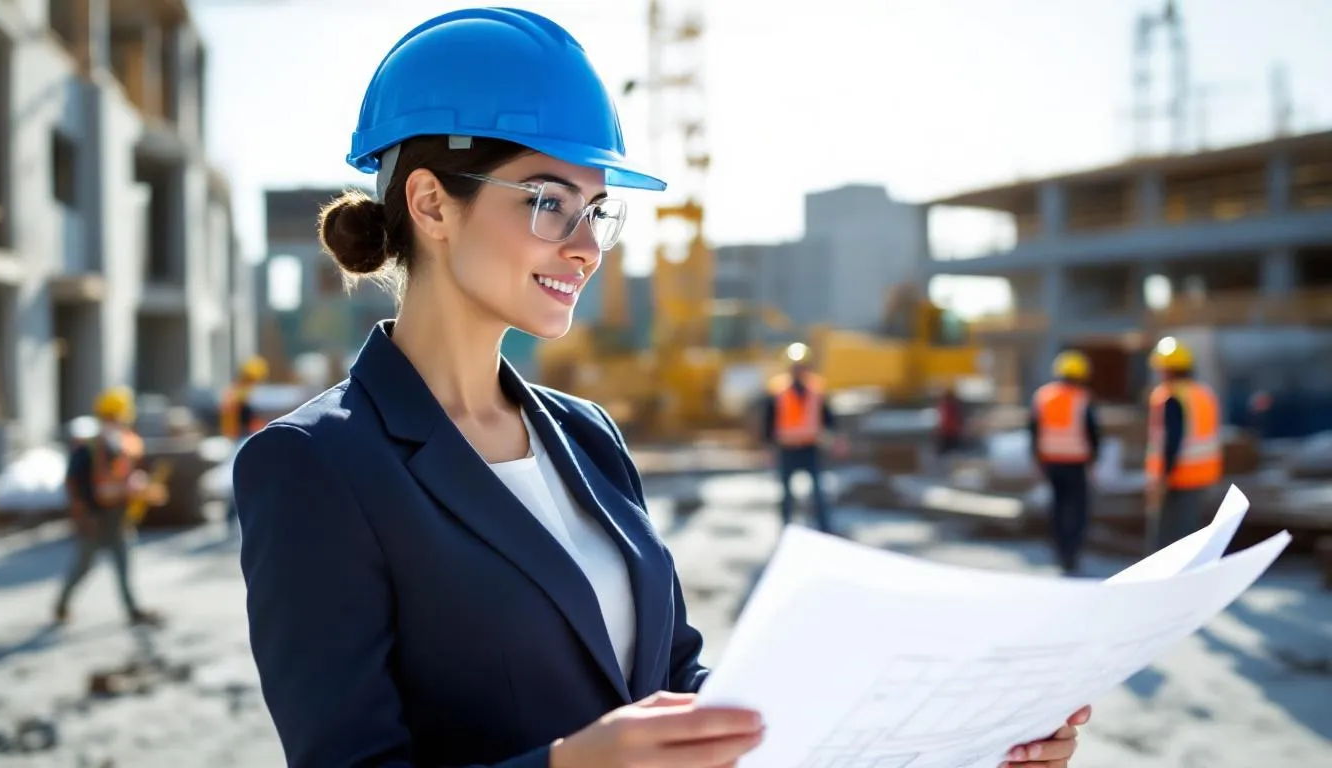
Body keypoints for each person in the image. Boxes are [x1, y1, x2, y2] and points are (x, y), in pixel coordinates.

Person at [231, 8, 1090, 767]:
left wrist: (956, 739)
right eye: (547, 201)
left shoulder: (587, 435)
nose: (587, 246)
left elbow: (678, 680)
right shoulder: (317, 469)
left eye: (597, 210)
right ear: (430, 203)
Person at [54, 386, 162, 626]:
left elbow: (122, 478)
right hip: (95, 519)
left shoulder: (122, 446)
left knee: (124, 565)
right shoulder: (87, 448)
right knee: (82, 566)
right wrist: (84, 515)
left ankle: (133, 610)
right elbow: (81, 487)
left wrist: (138, 487)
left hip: (118, 517)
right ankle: (61, 605)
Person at [1144, 336, 1223, 553]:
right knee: (1189, 534)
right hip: (1201, 475)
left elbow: (1172, 440)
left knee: (1168, 539)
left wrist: (1162, 477)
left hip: (1178, 477)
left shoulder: (1172, 397)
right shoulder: (1203, 393)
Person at [762, 342, 846, 534]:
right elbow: (769, 421)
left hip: (810, 448)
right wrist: (768, 447)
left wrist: (838, 439)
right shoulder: (778, 390)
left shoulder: (816, 390)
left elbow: (828, 417)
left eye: (802, 367)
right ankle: (786, 530)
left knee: (818, 493)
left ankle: (825, 530)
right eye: (795, 367)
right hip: (787, 449)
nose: (799, 370)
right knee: (786, 496)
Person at [1030, 350, 1100, 575]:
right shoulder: (1083, 398)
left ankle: (1061, 552)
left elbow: (1033, 430)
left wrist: (1037, 459)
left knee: (1058, 507)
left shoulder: (1043, 396)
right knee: (1077, 509)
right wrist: (1094, 459)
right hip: (1076, 463)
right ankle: (1072, 553)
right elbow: (1093, 433)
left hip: (1051, 462)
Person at [221, 355, 269, 531]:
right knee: (239, 477)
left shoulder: (237, 392)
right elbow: (245, 419)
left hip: (240, 438)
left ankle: (233, 514)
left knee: (238, 477)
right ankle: (232, 514)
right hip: (241, 439)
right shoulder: (240, 394)